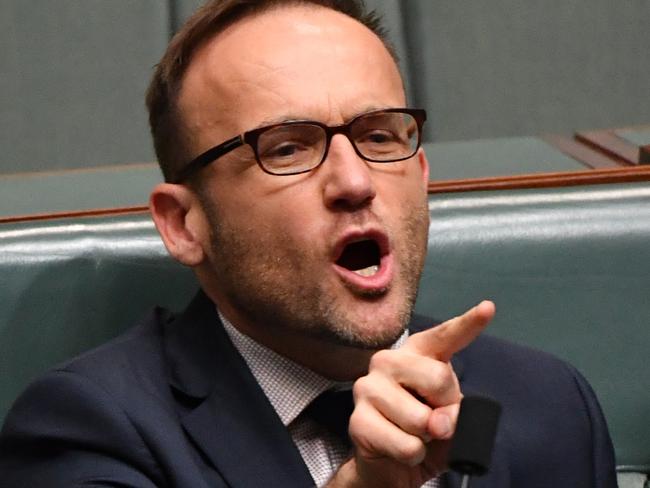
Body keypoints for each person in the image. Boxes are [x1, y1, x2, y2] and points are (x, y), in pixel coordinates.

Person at [0, 1, 616, 487]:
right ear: (185, 225)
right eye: (287, 147)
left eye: (378, 136)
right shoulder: (90, 430)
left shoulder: (544, 403)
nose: (354, 182)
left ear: (422, 179)